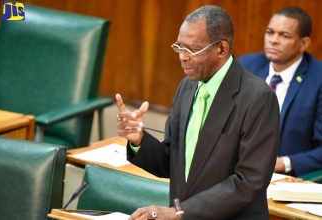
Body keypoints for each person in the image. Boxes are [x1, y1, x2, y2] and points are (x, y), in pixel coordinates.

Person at [116, 5, 279, 220]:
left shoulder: (258, 98)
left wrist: (180, 213)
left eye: (191, 49)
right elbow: (172, 163)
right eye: (179, 47)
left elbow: (248, 181)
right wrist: (139, 140)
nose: (182, 57)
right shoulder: (186, 87)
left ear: (221, 49)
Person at [238, 6, 322, 177]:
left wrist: (284, 163)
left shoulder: (318, 79)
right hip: (238, 170)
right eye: (270, 32)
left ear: (303, 43)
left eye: (284, 35)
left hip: (287, 178)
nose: (273, 40)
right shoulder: (244, 67)